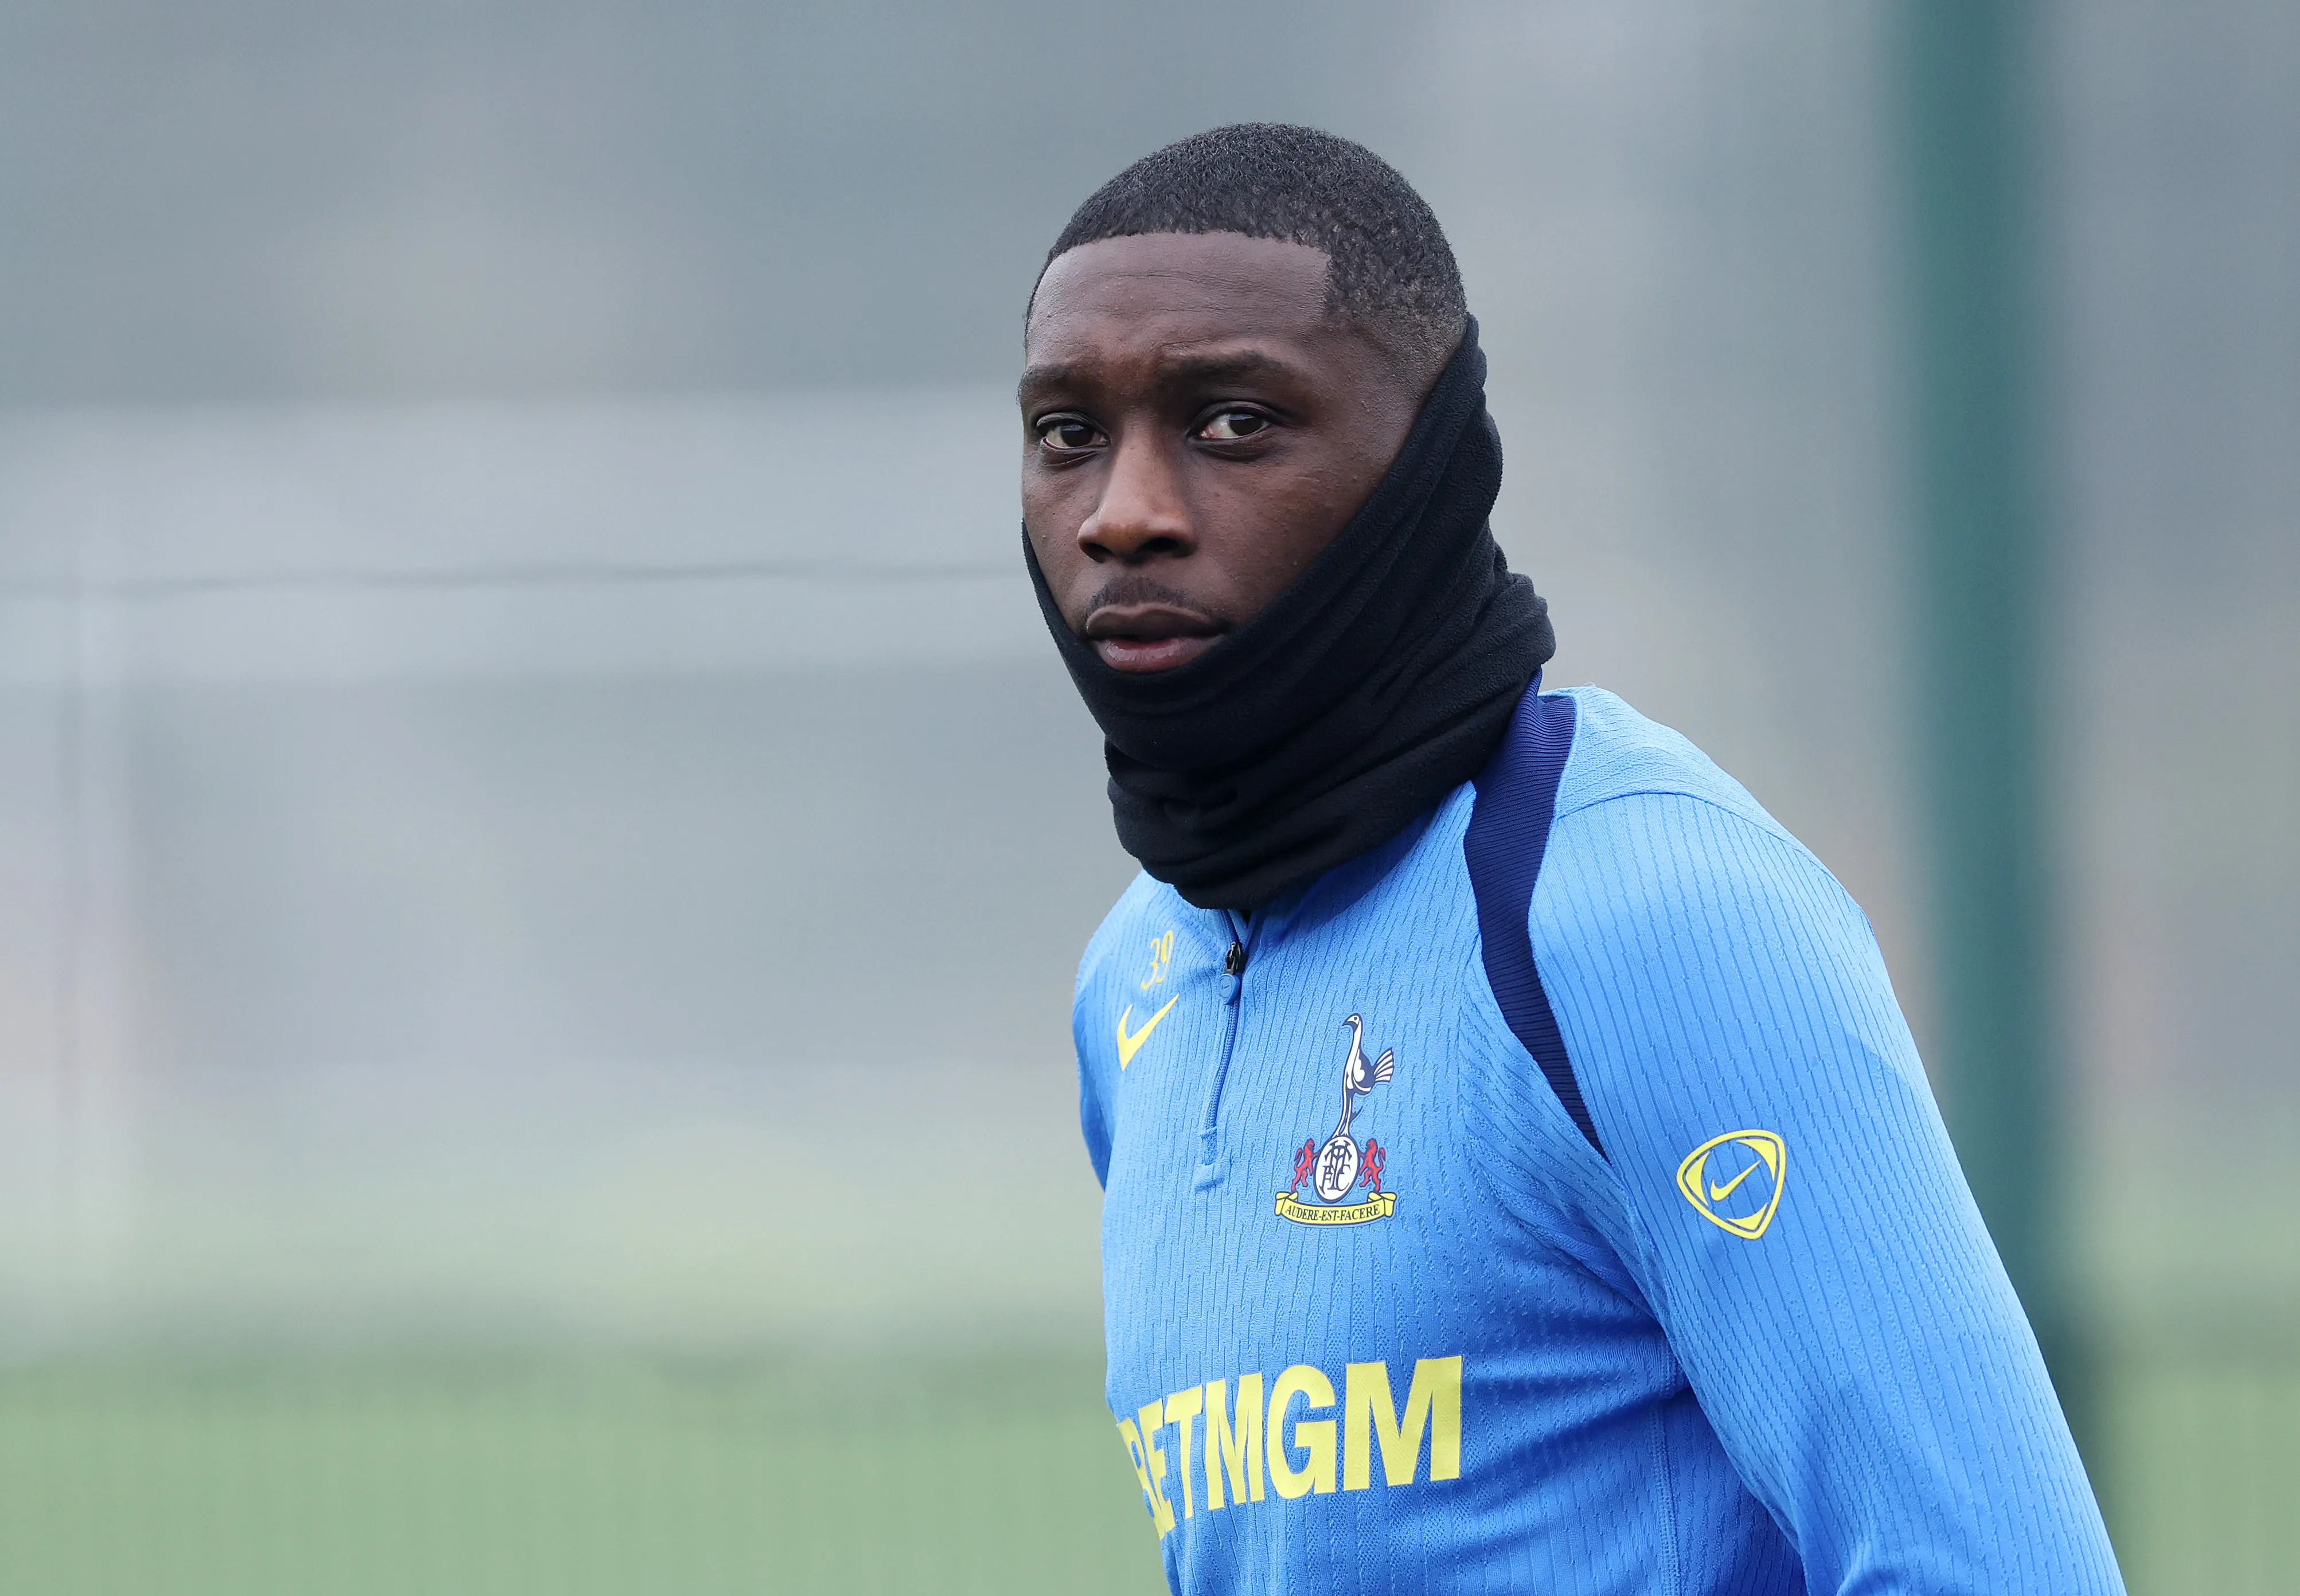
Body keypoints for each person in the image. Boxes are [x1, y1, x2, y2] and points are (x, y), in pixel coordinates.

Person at [1019, 123, 2122, 1595]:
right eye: (1067, 433)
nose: (1123, 511)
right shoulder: (1131, 980)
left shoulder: (1642, 913)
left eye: (1233, 423)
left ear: (1426, 462)